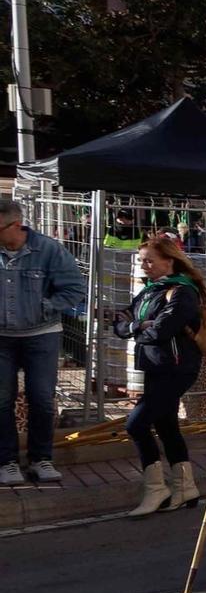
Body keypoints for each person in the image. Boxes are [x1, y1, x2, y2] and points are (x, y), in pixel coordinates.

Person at [110, 233, 206, 516]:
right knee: (166, 426)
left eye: (149, 261)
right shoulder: (151, 290)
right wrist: (138, 326)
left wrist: (138, 328)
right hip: (153, 366)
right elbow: (119, 321)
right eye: (141, 261)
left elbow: (161, 331)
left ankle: (156, 489)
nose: (144, 266)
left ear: (169, 261)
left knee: (136, 424)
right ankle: (184, 487)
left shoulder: (183, 291)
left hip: (177, 368)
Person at [0, 197, 87, 488]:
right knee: (1, 400)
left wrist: (45, 306)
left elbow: (74, 288)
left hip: (41, 335)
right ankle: (7, 462)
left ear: (16, 225)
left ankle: (40, 458)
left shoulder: (48, 250)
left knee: (42, 399)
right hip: (2, 338)